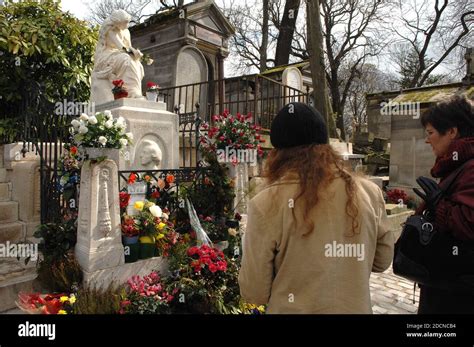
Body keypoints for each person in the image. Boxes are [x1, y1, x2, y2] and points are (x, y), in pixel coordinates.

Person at [238, 102, 394, 313]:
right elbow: (382, 260)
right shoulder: (369, 192)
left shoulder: (266, 203)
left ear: (278, 154)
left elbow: (254, 290)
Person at [415, 96, 474, 314]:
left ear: (452, 131)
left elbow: (468, 224)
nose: (427, 140)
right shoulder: (458, 165)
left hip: (458, 294)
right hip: (447, 286)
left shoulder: (470, 168)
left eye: (430, 133)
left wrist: (438, 204)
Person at [91, 9, 145, 104]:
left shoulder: (126, 31)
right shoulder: (110, 30)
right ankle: (131, 93)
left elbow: (128, 47)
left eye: (128, 23)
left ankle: (135, 92)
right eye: (124, 23)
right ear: (117, 22)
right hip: (106, 56)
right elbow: (122, 47)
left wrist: (136, 53)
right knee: (126, 59)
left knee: (138, 64)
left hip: (120, 53)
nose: (126, 25)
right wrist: (132, 52)